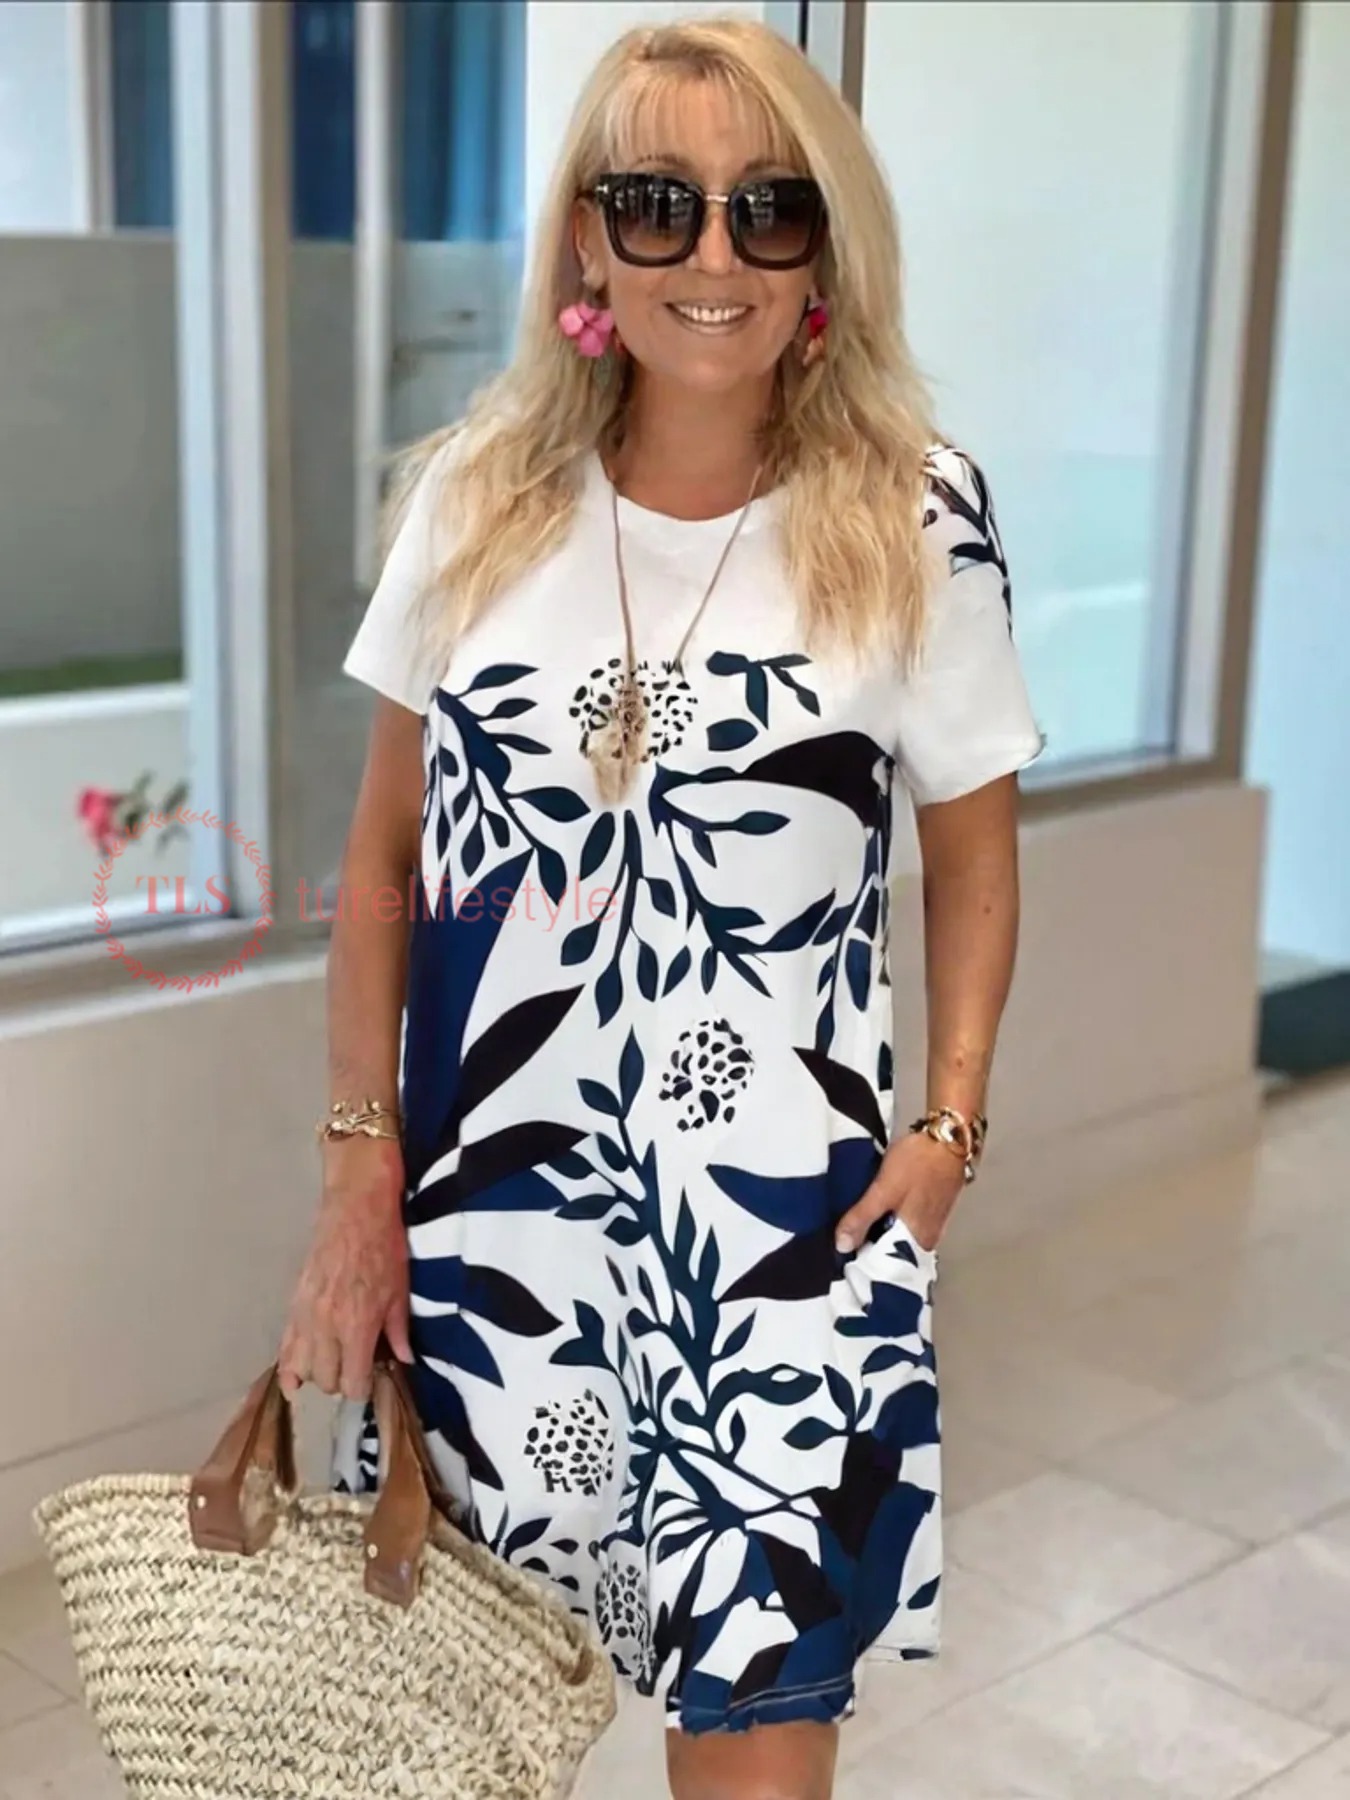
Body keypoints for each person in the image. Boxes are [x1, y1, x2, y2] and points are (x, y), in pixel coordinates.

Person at [278, 15, 1044, 1799]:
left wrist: (946, 1124)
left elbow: (974, 856)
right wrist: (356, 1173)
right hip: (496, 1227)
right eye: (658, 203)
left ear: (824, 253)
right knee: (462, 1740)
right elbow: (385, 855)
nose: (714, 253)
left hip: (783, 1246)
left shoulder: (917, 517)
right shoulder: (475, 498)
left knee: (757, 1733)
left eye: (768, 209)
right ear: (588, 241)